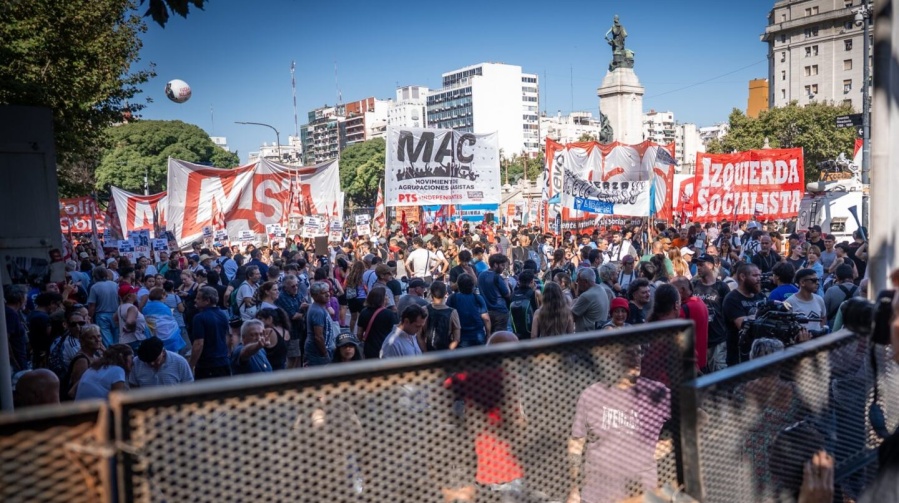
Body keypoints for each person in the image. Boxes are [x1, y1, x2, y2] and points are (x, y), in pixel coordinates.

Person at [567, 343, 670, 503]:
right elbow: (577, 442)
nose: (635, 358)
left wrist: (669, 445)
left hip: (640, 495)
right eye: (627, 353)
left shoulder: (656, 393)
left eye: (638, 353)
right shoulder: (591, 394)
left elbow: (698, 416)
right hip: (596, 495)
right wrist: (573, 489)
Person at [691, 254, 731, 372]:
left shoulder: (722, 287)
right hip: (698, 339)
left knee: (719, 373)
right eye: (697, 265)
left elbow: (727, 312)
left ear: (711, 266)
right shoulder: (694, 285)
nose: (698, 267)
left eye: (701, 265)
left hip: (718, 339)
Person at [723, 264, 768, 365]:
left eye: (759, 275)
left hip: (759, 356)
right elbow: (743, 325)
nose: (759, 279)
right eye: (755, 276)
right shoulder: (732, 298)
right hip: (739, 357)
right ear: (743, 277)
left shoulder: (761, 296)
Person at [189, 286, 231, 379]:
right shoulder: (222, 314)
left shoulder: (199, 318)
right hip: (223, 362)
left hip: (207, 365)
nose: (195, 300)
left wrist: (191, 364)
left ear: (207, 301)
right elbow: (227, 337)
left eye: (198, 298)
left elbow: (199, 344)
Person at [672, 276, 710, 371]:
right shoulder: (699, 301)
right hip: (702, 361)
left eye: (673, 290)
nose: (671, 294)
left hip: (690, 365)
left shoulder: (684, 309)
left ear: (682, 289)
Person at [128, 336, 193, 388]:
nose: (152, 364)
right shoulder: (136, 363)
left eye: (155, 360)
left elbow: (188, 386)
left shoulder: (180, 362)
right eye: (148, 362)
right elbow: (134, 386)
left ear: (163, 352)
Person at [447, 273, 490, 348]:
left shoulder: (452, 298)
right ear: (472, 286)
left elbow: (448, 318)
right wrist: (488, 334)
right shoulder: (478, 298)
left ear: (458, 285)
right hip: (478, 335)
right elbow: (486, 319)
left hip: (461, 337)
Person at [357, 286, 398, 359]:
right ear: (382, 299)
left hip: (369, 349)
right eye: (386, 295)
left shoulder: (364, 312)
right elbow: (396, 333)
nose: (387, 297)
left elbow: (359, 333)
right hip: (385, 348)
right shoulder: (389, 314)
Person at [65, 324, 103, 400]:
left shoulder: (95, 355)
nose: (97, 340)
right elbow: (78, 389)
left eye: (98, 336)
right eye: (92, 337)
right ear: (82, 341)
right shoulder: (82, 360)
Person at [142, 287, 185, 354]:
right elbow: (170, 322)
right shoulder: (165, 307)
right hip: (169, 336)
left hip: (153, 334)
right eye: (165, 295)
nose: (166, 297)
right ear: (161, 296)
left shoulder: (145, 308)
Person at [785, 269, 828, 333]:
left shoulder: (819, 299)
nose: (817, 283)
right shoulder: (789, 302)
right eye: (813, 280)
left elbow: (823, 317)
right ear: (802, 283)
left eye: (817, 280)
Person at [478, 253, 512, 335]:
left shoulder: (481, 275)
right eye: (502, 265)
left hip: (487, 311)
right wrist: (506, 282)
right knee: (500, 337)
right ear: (495, 265)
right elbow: (507, 294)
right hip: (500, 312)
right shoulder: (497, 277)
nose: (503, 268)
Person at [305, 281, 337, 366]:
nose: (328, 294)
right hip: (318, 353)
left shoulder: (319, 308)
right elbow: (318, 337)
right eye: (323, 293)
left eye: (328, 291)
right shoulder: (317, 311)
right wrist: (325, 354)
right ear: (315, 296)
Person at [87, 266, 119, 348]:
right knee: (117, 337)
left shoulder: (94, 287)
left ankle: (111, 355)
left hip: (102, 316)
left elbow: (92, 306)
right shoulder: (115, 284)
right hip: (115, 314)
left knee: (106, 339)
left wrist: (89, 317)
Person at [424, 281, 460, 351]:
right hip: (445, 351)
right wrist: (448, 353)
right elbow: (457, 338)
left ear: (431, 294)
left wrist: (425, 352)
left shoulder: (425, 310)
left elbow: (419, 336)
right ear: (446, 293)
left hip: (428, 351)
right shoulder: (453, 312)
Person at [571, 267, 610, 333]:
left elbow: (571, 317)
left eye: (578, 280)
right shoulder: (601, 289)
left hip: (586, 337)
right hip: (598, 333)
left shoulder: (586, 296)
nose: (577, 283)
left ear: (585, 282)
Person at [116, 285, 147, 350]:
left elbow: (115, 319)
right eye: (134, 293)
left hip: (124, 340)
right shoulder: (132, 308)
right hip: (135, 340)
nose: (136, 294)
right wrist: (131, 329)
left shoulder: (120, 307)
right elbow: (130, 322)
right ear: (129, 296)